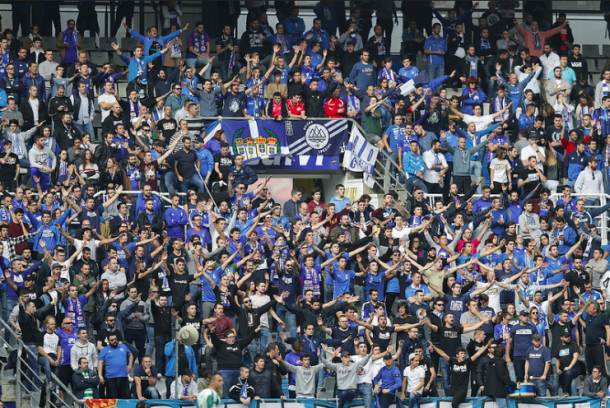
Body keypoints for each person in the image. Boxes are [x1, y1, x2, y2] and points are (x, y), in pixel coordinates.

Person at [429, 339, 493, 408]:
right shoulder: (453, 361)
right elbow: (442, 353)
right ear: (457, 355)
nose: (463, 355)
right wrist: (433, 346)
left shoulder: (467, 362)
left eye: (464, 353)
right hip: (453, 389)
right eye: (461, 353)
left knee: (454, 404)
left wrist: (487, 345)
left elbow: (478, 353)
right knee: (451, 405)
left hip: (462, 390)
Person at [320, 344, 372, 408]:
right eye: (346, 357)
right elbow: (328, 364)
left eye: (348, 357)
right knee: (341, 394)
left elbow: (363, 362)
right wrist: (320, 357)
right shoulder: (337, 366)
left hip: (351, 392)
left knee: (344, 394)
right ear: (342, 358)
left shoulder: (353, 365)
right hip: (341, 391)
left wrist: (369, 355)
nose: (347, 359)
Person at [98, 333, 133, 399]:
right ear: (108, 341)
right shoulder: (104, 350)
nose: (114, 341)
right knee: (113, 398)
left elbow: (131, 354)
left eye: (115, 339)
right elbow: (100, 363)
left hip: (123, 376)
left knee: (126, 397)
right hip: (111, 377)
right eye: (112, 340)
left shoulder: (123, 346)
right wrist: (100, 375)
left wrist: (130, 365)